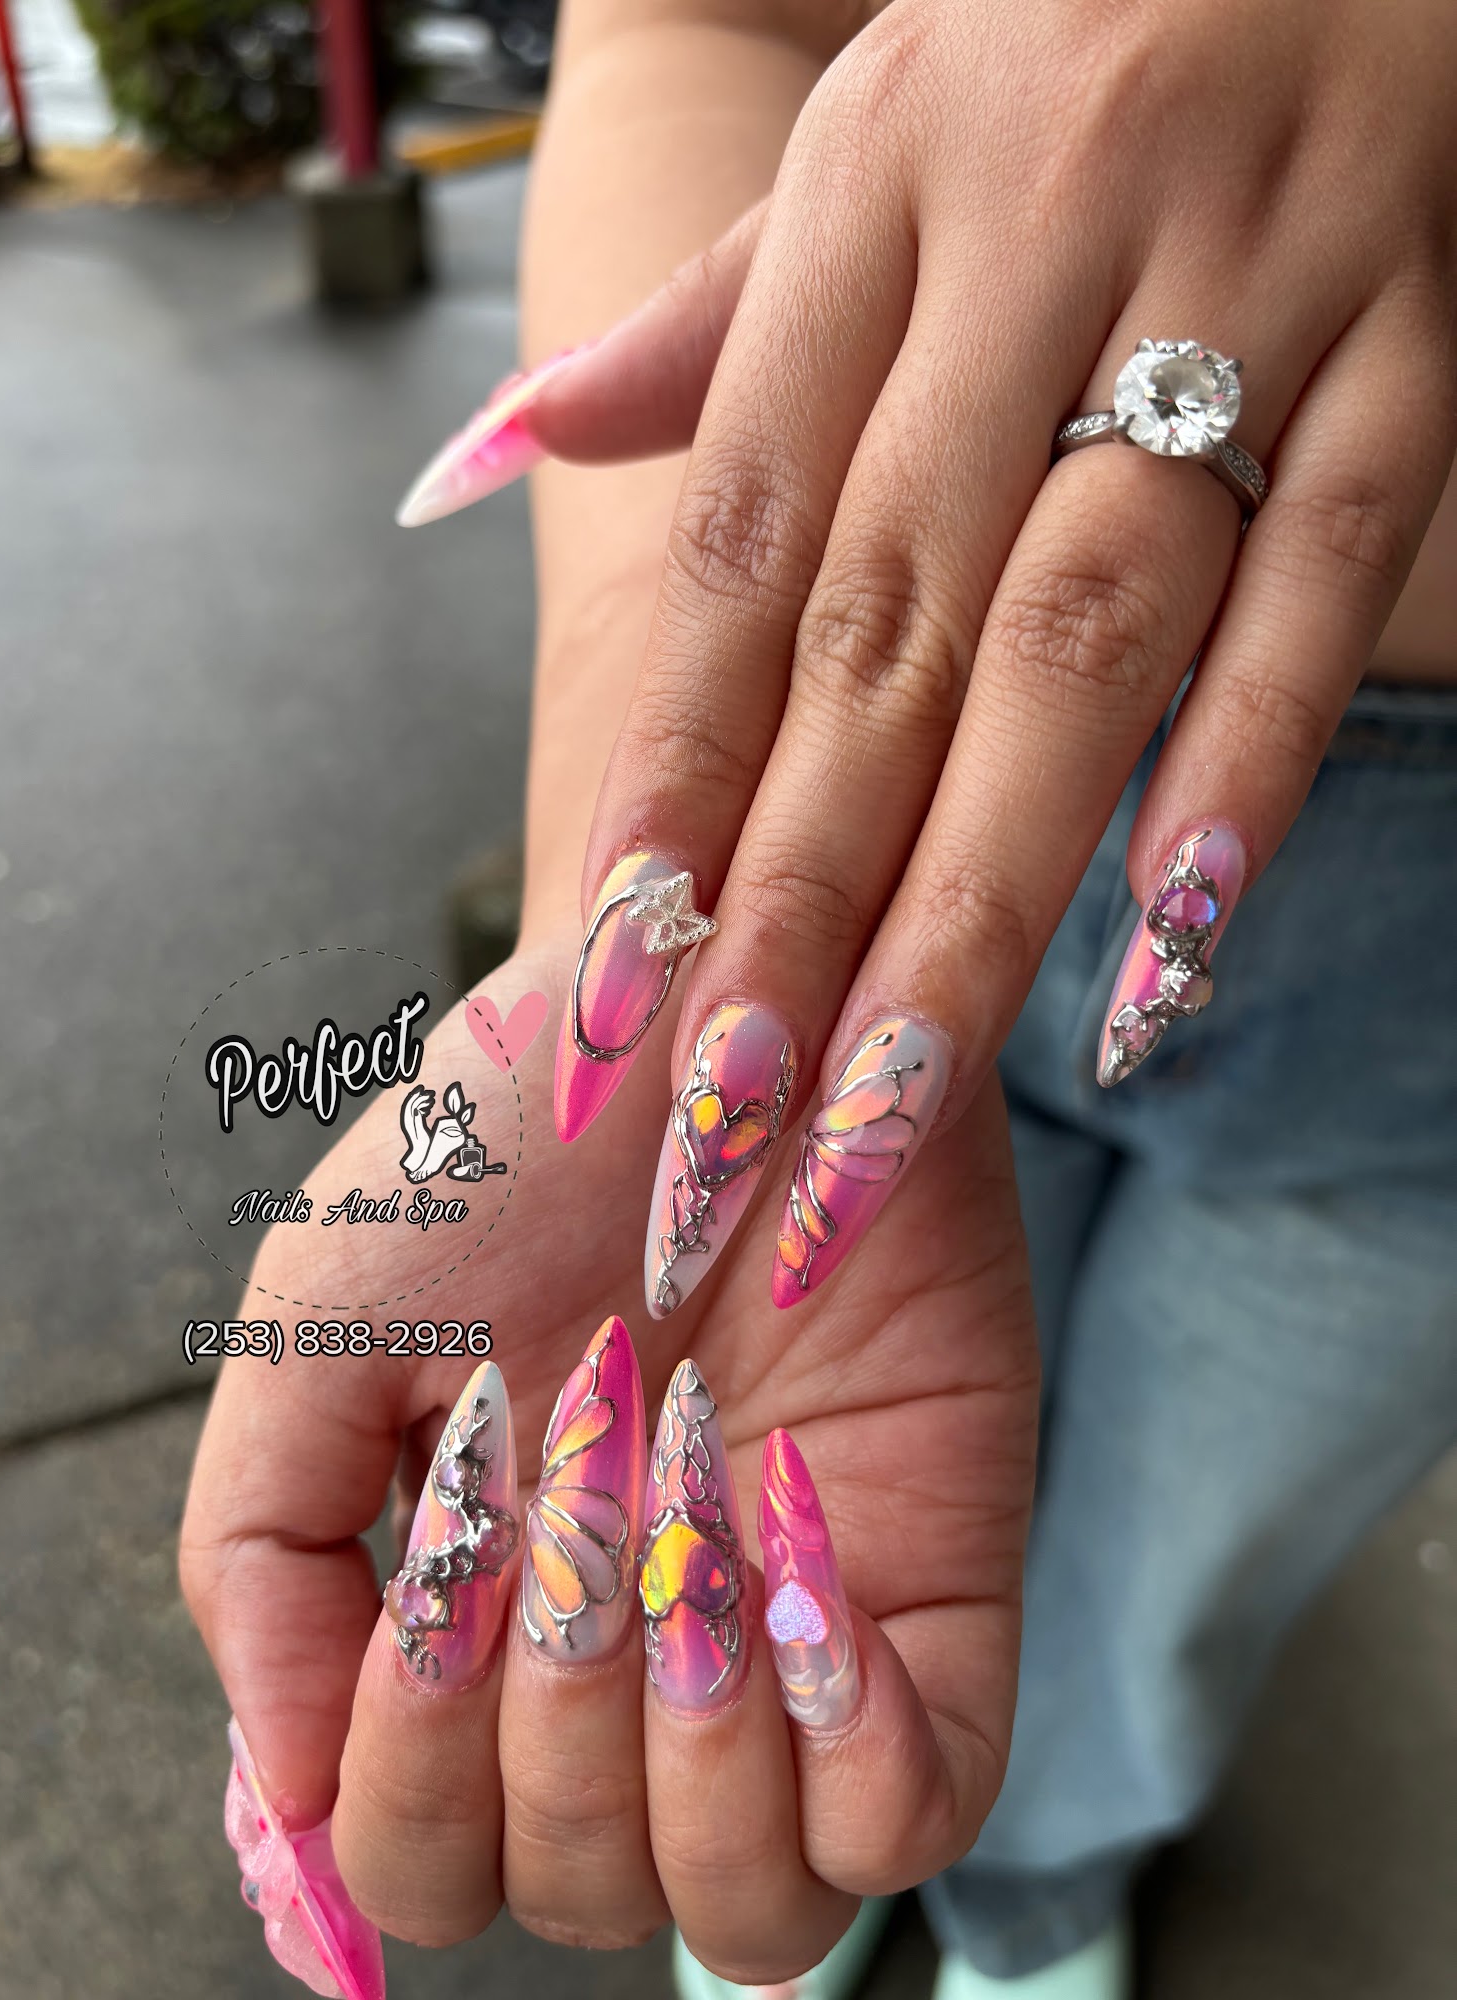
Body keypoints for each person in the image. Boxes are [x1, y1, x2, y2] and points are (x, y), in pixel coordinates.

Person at [183, 0, 1457, 1994]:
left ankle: (1042, 1896)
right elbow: (702, 23)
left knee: (1174, 1581)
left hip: (1423, 1034)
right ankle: (842, 1840)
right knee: (853, 1592)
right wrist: (647, 948)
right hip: (856, 800)